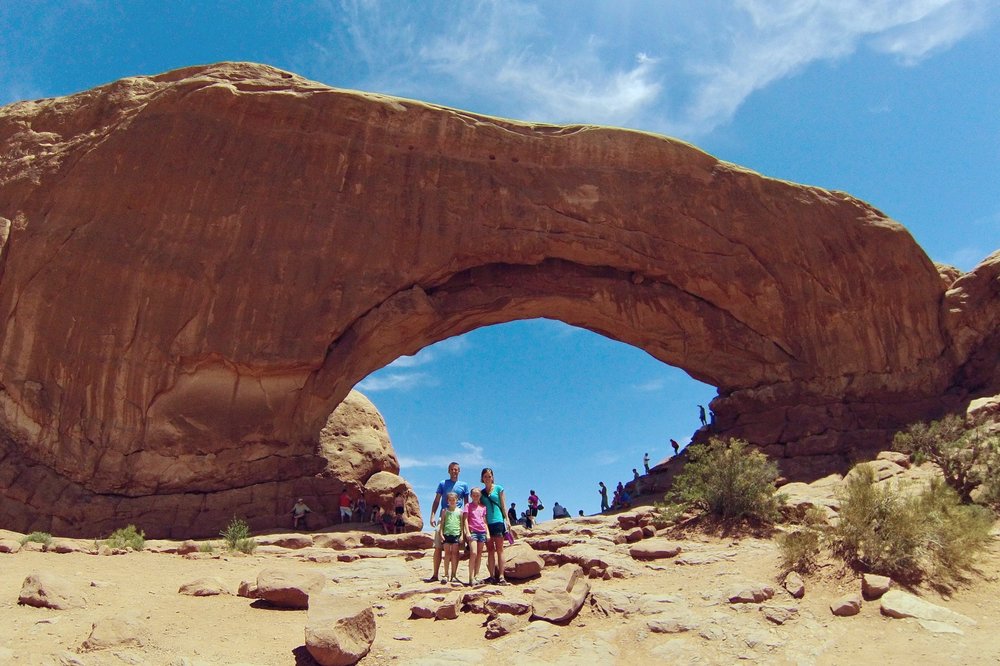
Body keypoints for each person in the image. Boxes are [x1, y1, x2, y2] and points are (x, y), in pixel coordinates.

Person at [426, 462, 470, 583]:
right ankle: (436, 574)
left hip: (457, 519)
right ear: (448, 471)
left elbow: (467, 504)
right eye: (451, 469)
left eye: (456, 469)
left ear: (459, 471)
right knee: (438, 547)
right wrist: (433, 515)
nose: (454, 471)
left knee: (455, 550)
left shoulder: (464, 485)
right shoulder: (443, 484)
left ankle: (453, 575)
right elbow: (436, 500)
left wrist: (467, 520)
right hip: (443, 517)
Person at [480, 467, 510, 585]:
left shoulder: (498, 488)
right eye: (485, 476)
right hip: (487, 523)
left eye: (489, 476)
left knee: (500, 549)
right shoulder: (481, 493)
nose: (487, 478)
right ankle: (492, 576)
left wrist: (507, 519)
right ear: (482, 478)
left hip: (497, 521)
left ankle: (501, 576)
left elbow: (503, 505)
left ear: (492, 477)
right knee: (490, 550)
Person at [437, 492, 465, 584]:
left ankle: (453, 575)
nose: (452, 501)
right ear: (447, 501)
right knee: (447, 554)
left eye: (454, 500)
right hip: (446, 534)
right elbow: (442, 523)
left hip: (456, 534)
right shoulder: (444, 511)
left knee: (454, 554)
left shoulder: (460, 512)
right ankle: (445, 574)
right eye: (450, 500)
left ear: (457, 500)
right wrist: (440, 533)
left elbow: (462, 524)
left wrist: (461, 535)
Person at [462, 487, 488, 586]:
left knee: (479, 554)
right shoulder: (468, 506)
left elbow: (484, 521)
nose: (476, 497)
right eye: (474, 495)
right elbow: (465, 519)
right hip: (472, 531)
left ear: (480, 496)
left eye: (477, 495)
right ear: (471, 496)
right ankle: (470, 577)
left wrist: (487, 533)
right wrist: (467, 532)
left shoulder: (483, 507)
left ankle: (477, 575)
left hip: (482, 532)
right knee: (473, 553)